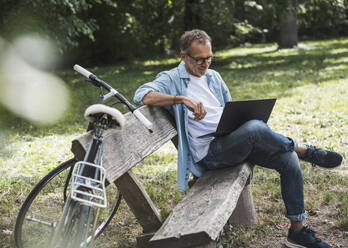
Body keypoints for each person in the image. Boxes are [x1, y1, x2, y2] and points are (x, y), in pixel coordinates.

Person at [133, 29, 343, 248]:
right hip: (211, 154)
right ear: (183, 56)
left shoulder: (213, 77)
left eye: (209, 58)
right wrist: (182, 99)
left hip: (231, 141)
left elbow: (231, 111)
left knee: (288, 159)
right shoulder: (172, 79)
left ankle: (297, 232)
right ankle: (304, 149)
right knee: (254, 129)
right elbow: (142, 94)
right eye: (199, 60)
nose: (206, 64)